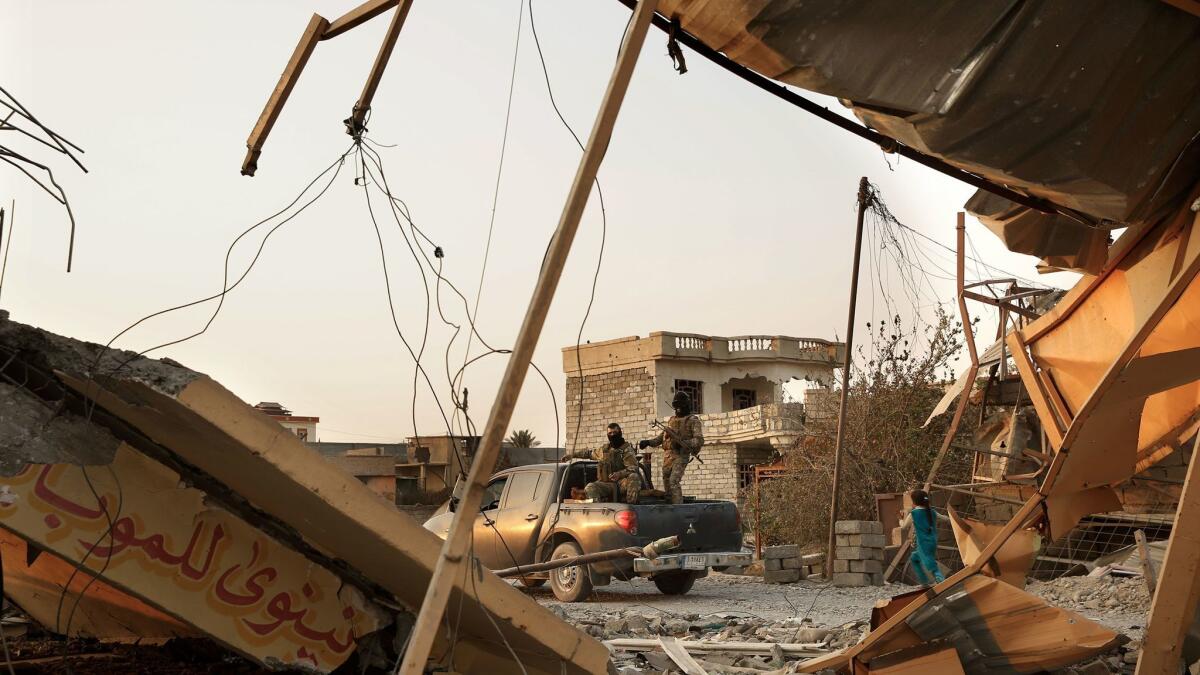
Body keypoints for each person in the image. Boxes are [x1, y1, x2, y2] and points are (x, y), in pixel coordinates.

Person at [639, 391, 704, 504]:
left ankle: (678, 507)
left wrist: (683, 442)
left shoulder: (693, 421)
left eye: (680, 407)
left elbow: (699, 440)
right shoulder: (672, 420)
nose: (678, 410)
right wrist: (648, 442)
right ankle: (670, 506)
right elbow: (661, 438)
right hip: (668, 456)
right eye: (676, 407)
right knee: (667, 483)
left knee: (674, 481)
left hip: (681, 455)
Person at [568, 422, 642, 503]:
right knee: (590, 487)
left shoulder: (627, 450)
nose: (613, 435)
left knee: (634, 477)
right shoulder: (604, 450)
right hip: (606, 484)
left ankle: (631, 506)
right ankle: (599, 511)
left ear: (620, 433)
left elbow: (634, 468)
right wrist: (572, 455)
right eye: (610, 433)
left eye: (615, 432)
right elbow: (589, 454)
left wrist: (619, 474)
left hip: (621, 483)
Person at [903, 489, 944, 585]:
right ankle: (924, 582)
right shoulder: (932, 512)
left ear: (914, 502)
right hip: (932, 542)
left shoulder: (913, 514)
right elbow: (945, 518)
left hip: (923, 543)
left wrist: (901, 520)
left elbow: (904, 526)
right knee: (914, 558)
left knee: (930, 564)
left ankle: (940, 580)